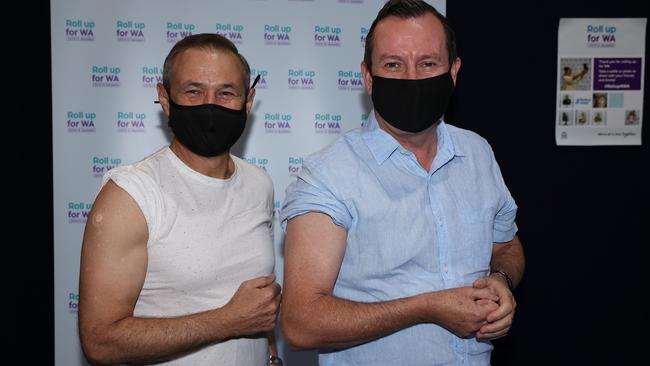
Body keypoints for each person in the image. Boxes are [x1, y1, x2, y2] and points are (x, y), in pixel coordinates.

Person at [280, 1, 524, 365]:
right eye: (393, 64)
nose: (411, 78)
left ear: (453, 72)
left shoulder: (477, 154)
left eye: (428, 63)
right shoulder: (329, 174)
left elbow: (506, 247)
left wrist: (501, 281)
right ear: (368, 76)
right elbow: (301, 323)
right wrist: (427, 307)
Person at [78, 33, 282, 366]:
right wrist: (227, 320)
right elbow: (101, 341)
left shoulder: (260, 184)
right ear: (165, 97)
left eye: (226, 92)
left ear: (248, 101)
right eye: (194, 91)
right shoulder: (130, 195)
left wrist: (271, 354)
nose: (210, 105)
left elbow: (255, 306)